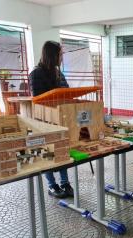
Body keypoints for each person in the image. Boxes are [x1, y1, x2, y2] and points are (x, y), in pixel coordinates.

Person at [29, 41, 74, 199]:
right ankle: (51, 185)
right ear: (52, 55)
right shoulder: (36, 73)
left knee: (61, 150)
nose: (62, 57)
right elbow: (38, 100)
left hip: (59, 119)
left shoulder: (58, 73)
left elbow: (67, 91)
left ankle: (64, 182)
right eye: (60, 54)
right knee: (47, 152)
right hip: (43, 122)